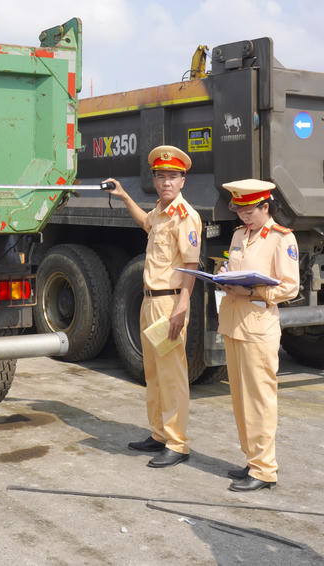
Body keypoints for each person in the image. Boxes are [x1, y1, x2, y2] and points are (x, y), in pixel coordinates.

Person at [103, 145, 201, 468]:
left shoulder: (186, 217)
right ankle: (159, 434)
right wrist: (125, 196)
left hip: (169, 302)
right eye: (160, 177)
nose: (166, 183)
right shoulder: (161, 212)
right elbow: (145, 222)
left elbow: (191, 264)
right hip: (149, 302)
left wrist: (182, 304)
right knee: (154, 374)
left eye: (172, 177)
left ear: (183, 180)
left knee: (172, 375)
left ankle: (177, 443)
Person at [217, 179, 299, 492]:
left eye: (250, 211)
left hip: (259, 326)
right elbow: (234, 264)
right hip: (233, 323)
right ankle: (253, 459)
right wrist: (224, 276)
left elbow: (290, 286)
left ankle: (265, 470)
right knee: (239, 398)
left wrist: (251, 289)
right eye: (240, 211)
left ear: (266, 206)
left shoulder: (281, 239)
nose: (244, 217)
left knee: (260, 398)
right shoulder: (240, 234)